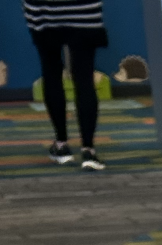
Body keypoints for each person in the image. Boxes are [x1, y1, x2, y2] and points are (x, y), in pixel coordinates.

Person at [24, 0, 108, 170]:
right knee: (84, 78)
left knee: (51, 72)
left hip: (44, 8)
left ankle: (61, 145)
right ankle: (88, 150)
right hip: (83, 8)